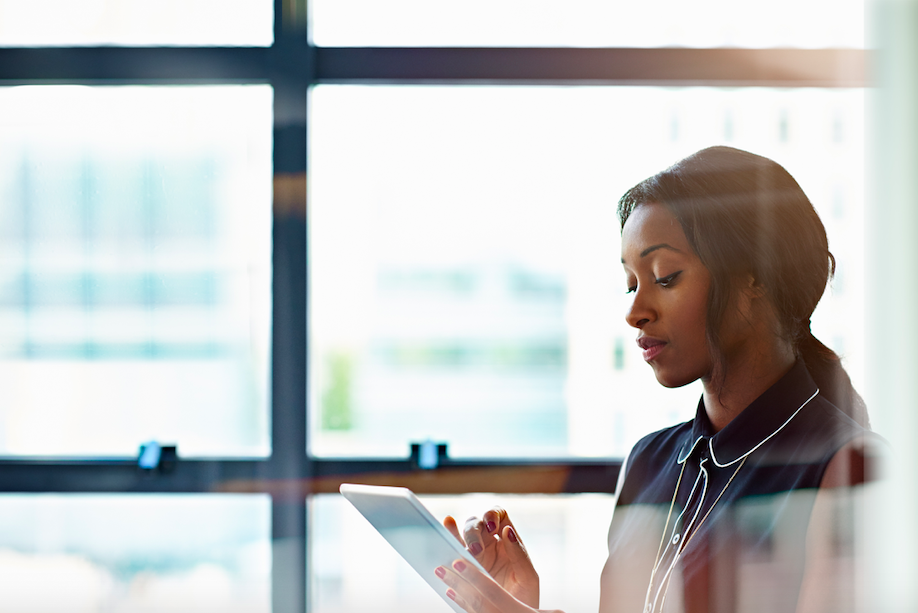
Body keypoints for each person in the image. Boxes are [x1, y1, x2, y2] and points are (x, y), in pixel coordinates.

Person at [435, 146, 881, 613]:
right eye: (631, 284)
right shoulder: (648, 462)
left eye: (665, 277)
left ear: (757, 279)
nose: (634, 312)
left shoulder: (852, 468)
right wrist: (520, 603)